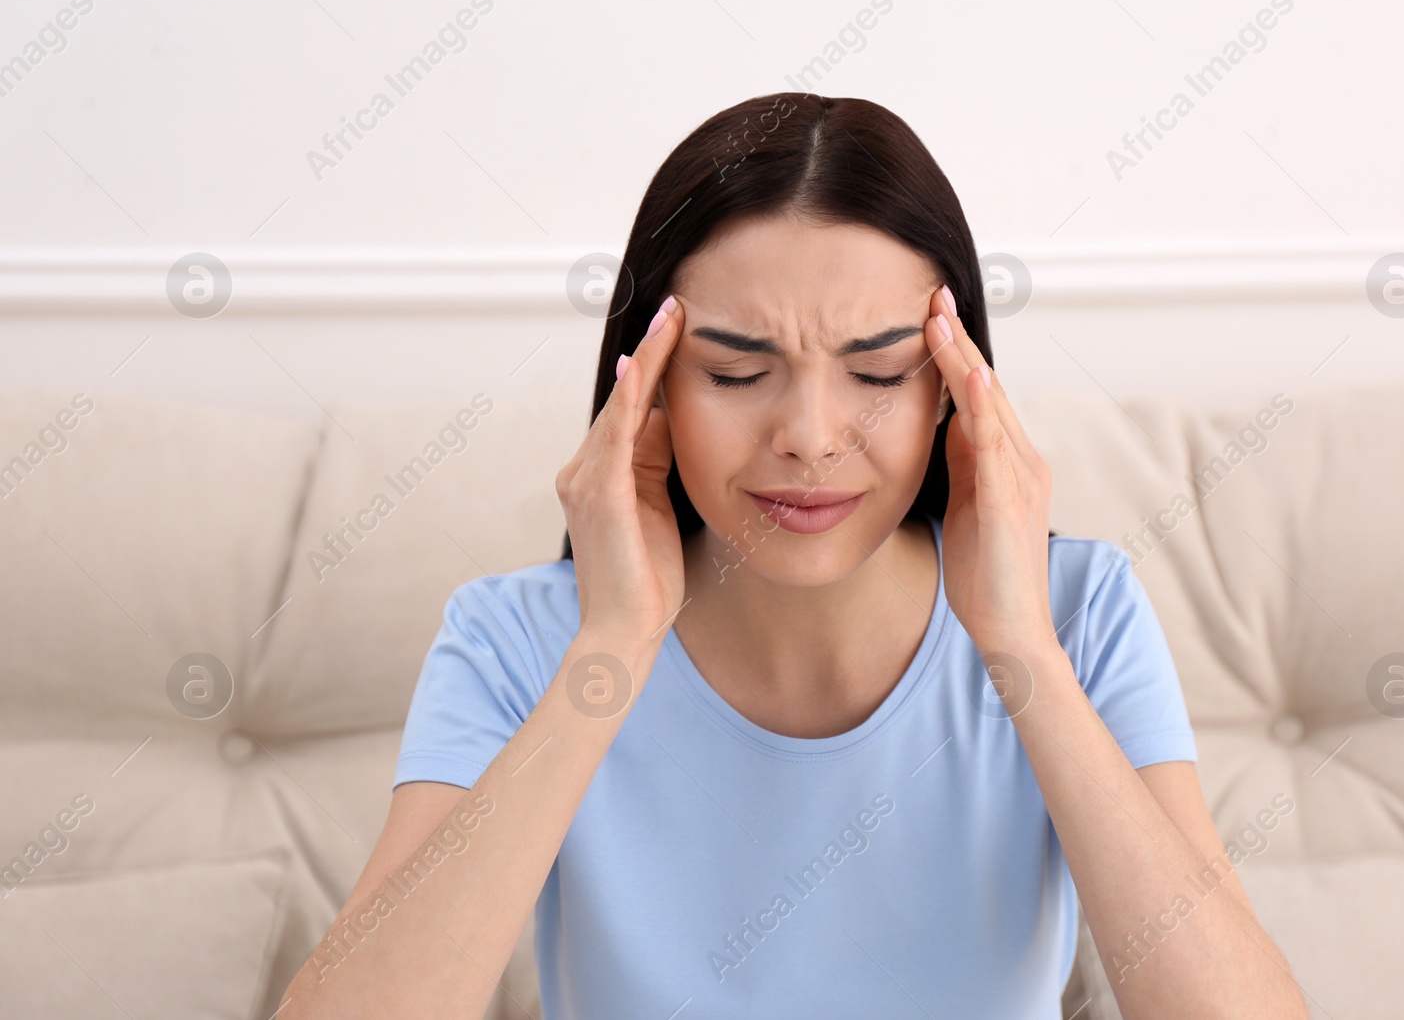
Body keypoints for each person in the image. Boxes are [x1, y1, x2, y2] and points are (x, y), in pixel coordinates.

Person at [280, 93, 1307, 1019]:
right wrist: (614, 648)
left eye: (878, 370)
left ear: (951, 385)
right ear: (648, 390)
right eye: (735, 372)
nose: (810, 435)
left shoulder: (1079, 612)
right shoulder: (518, 638)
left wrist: (1021, 649)